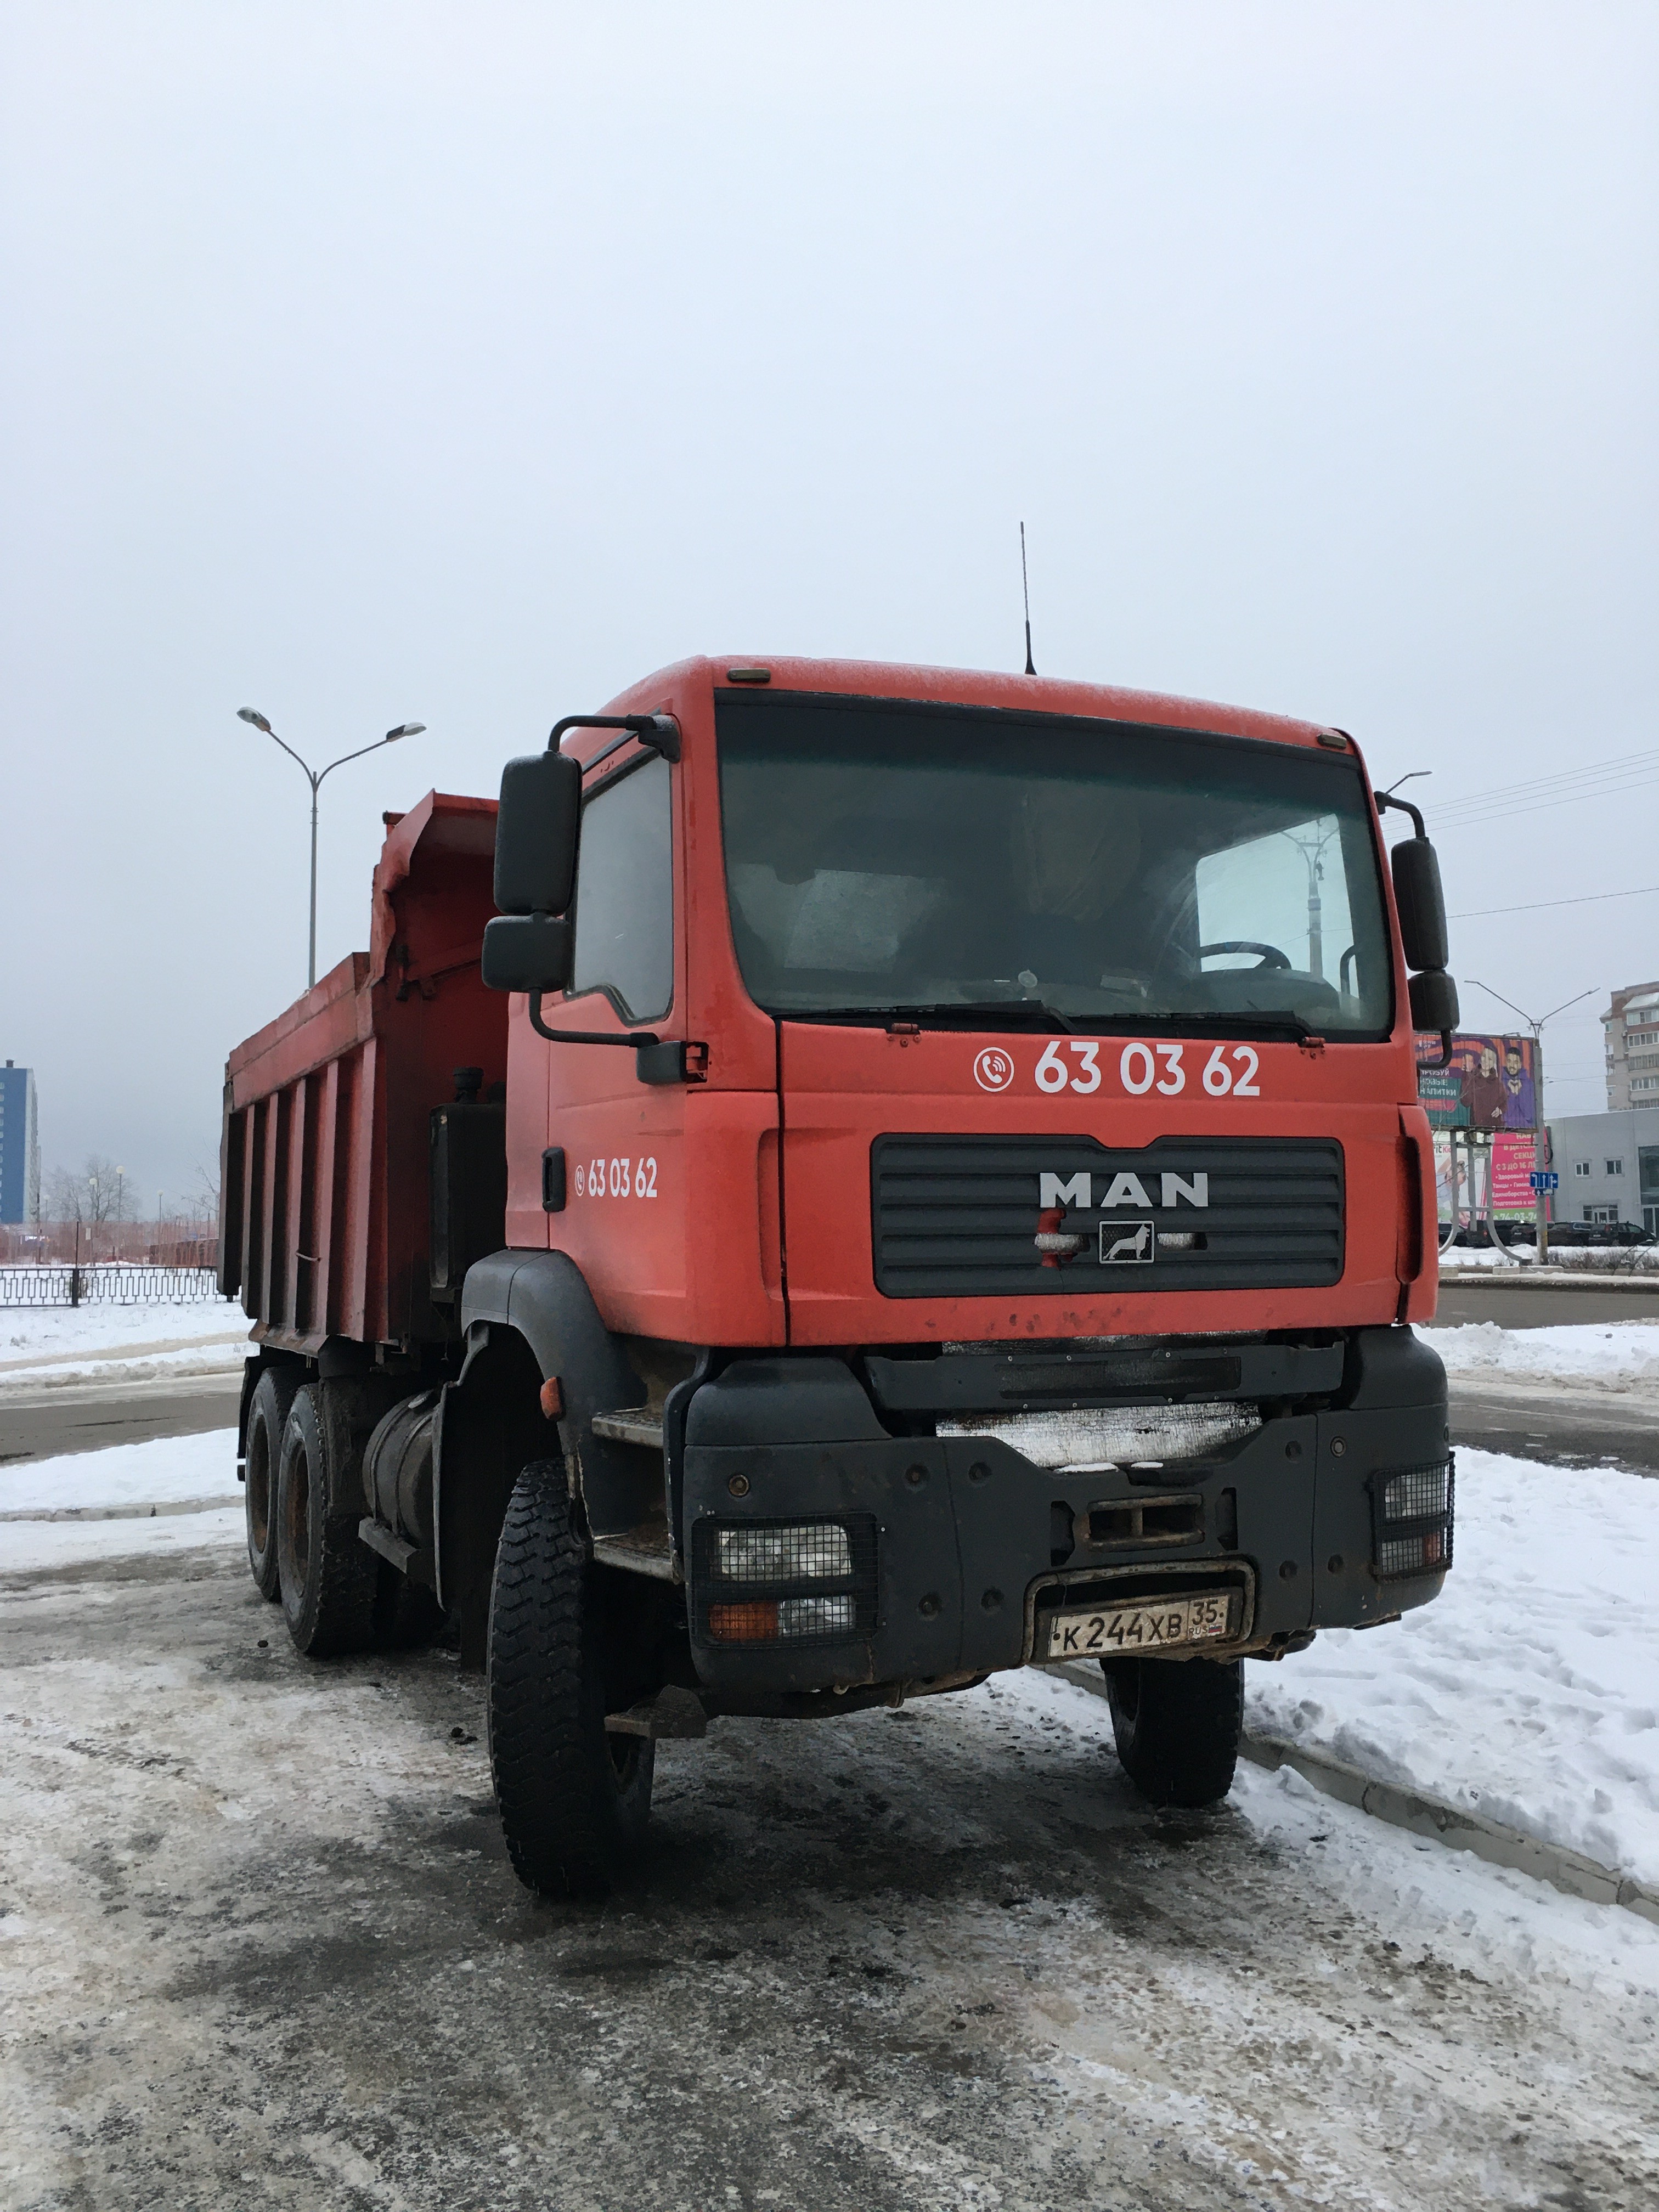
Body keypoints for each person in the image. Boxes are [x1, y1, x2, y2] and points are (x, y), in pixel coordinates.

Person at [1459, 1041, 1508, 1130]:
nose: (1486, 1061)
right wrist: (1466, 1076)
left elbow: (1504, 1101)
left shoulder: (1498, 1084)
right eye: (1484, 1056)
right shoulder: (1472, 1078)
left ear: (1494, 1062)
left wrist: (1500, 1110)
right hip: (1475, 1127)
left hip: (1495, 1128)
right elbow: (1466, 1102)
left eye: (1490, 1059)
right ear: (1480, 1058)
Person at [1501, 1042, 1536, 1130]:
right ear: (1506, 1062)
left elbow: (1529, 1115)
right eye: (1509, 1061)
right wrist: (1513, 1094)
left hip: (1527, 1135)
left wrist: (1520, 1092)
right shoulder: (1500, 1083)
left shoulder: (1529, 1085)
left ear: (1520, 1064)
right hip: (1503, 1134)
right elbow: (1505, 1115)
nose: (1512, 1066)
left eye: (1515, 1062)